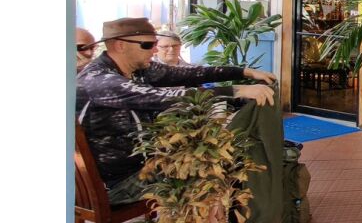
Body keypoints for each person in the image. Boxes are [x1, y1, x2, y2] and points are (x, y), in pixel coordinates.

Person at [76, 17, 277, 207]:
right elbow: (163, 96)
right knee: (213, 169)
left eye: (155, 43)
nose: (155, 50)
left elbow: (191, 73)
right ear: (120, 45)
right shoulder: (100, 81)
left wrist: (244, 72)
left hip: (142, 165)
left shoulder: (135, 70)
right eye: (147, 45)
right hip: (118, 184)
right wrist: (236, 90)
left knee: (213, 157)